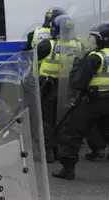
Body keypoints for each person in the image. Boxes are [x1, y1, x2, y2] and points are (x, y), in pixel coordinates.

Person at [53, 22, 109, 180]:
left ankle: (68, 169)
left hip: (92, 100)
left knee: (71, 132)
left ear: (103, 40)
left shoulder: (95, 57)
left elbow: (77, 82)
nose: (92, 41)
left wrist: (77, 63)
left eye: (95, 38)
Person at [36, 15, 82, 162]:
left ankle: (49, 152)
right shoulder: (78, 45)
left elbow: (31, 57)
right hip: (68, 89)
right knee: (63, 121)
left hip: (48, 88)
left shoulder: (48, 45)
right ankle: (62, 151)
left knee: (47, 120)